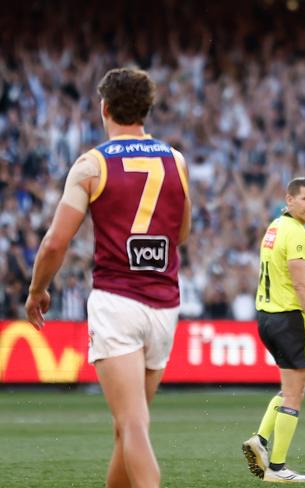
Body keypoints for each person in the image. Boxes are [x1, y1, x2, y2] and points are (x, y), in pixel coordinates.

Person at [25, 68, 192, 488]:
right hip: (165, 305)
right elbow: (182, 233)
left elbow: (54, 244)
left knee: (132, 425)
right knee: (128, 427)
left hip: (117, 301)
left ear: (104, 108)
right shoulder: (176, 161)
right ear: (146, 110)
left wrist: (37, 290)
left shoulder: (91, 164)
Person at [242, 177, 305, 483]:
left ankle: (260, 441)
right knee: (295, 394)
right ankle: (277, 468)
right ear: (289, 199)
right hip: (290, 318)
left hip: (266, 316)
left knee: (291, 387)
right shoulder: (296, 234)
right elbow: (300, 284)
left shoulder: (274, 227)